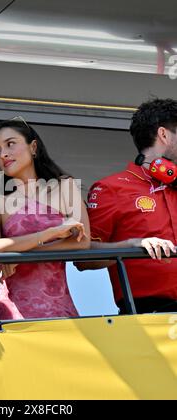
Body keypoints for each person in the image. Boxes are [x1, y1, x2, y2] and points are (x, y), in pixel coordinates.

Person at [0, 117, 90, 321]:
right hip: (11, 312)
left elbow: (82, 242)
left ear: (33, 147)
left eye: (10, 144)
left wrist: (17, 253)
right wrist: (50, 234)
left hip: (59, 308)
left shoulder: (65, 187)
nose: (3, 154)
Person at [76, 98, 177, 314]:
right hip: (148, 319)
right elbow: (82, 257)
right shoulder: (111, 188)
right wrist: (132, 245)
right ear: (164, 135)